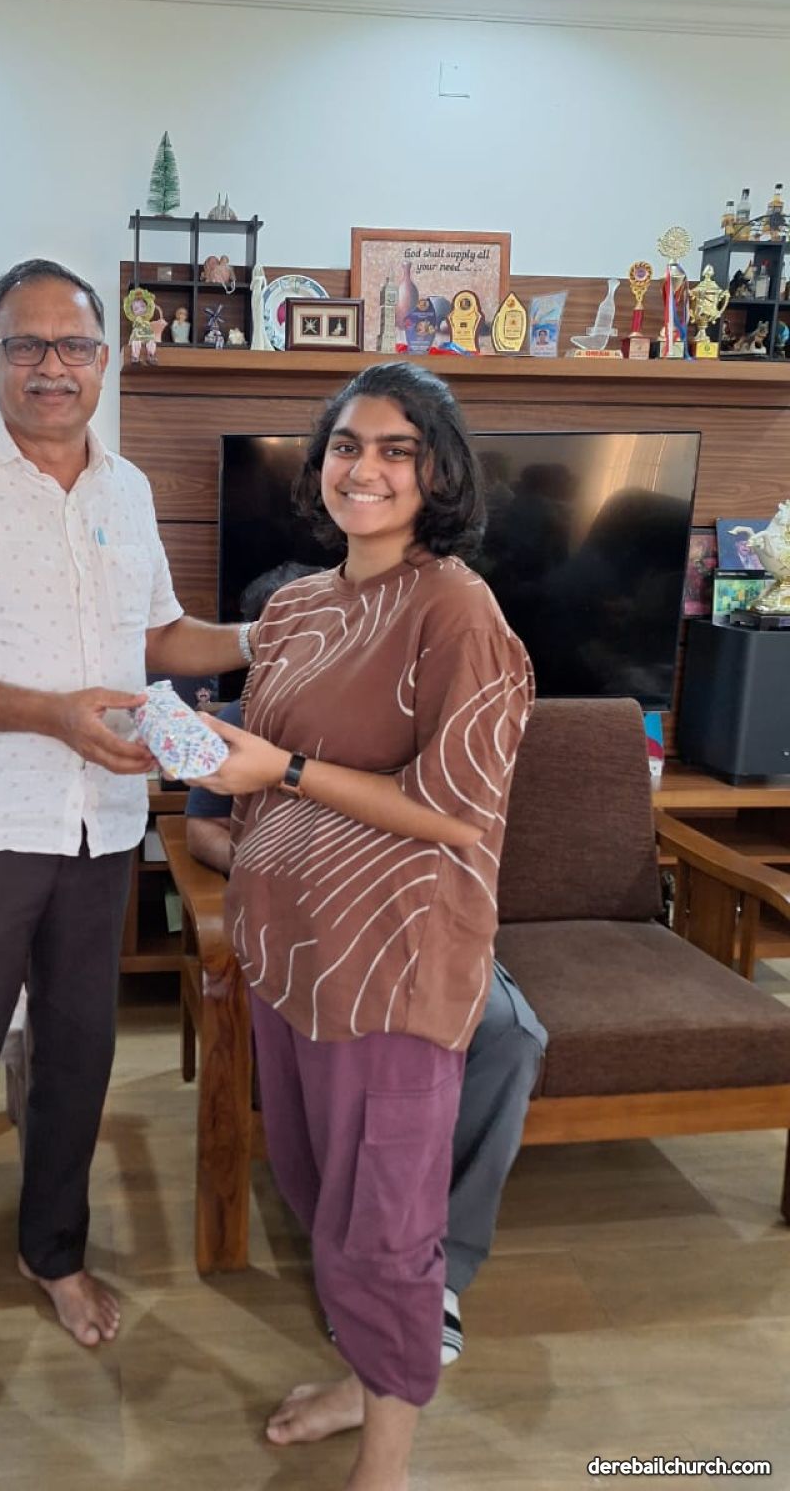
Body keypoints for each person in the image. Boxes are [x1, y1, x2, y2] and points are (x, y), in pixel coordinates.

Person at [0, 258, 252, 1438]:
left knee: (80, 1064)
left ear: (103, 360)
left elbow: (160, 636)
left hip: (102, 829)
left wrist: (268, 630)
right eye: (26, 346)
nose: (52, 367)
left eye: (74, 346)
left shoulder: (127, 489)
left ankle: (53, 1252)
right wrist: (50, 713)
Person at [187, 364, 535, 1491]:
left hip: (391, 963)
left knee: (386, 1225)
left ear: (439, 472)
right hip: (287, 952)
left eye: (396, 449)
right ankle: (357, 1381)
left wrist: (282, 768)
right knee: (315, 1193)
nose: (365, 468)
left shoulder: (458, 610)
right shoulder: (296, 607)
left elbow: (456, 809)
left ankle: (386, 1465)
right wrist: (187, 741)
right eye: (346, 445)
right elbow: (242, 750)